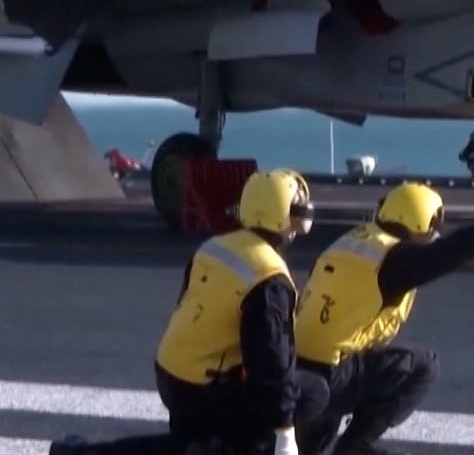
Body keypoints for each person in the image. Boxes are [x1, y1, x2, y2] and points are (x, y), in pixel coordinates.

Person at [50, 168, 330, 455]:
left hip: (172, 374)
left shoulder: (215, 247)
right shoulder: (269, 278)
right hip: (203, 389)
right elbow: (271, 364)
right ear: (286, 217)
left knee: (190, 442)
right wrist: (284, 435)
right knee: (312, 392)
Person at [292, 182, 474, 455]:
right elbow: (454, 249)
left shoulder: (349, 243)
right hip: (334, 375)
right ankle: (356, 446)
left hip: (297, 369)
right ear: (422, 221)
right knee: (422, 366)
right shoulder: (396, 259)